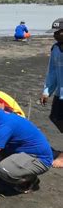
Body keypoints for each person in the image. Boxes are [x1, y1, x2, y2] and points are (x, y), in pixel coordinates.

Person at [40, 18, 63, 168]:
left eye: (58, 32)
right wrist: (47, 91)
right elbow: (53, 72)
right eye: (54, 33)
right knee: (55, 117)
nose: (55, 35)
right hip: (60, 92)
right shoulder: (55, 48)